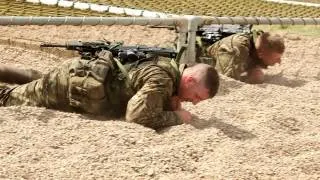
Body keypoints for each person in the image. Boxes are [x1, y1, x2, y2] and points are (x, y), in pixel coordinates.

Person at [0, 50, 219, 130]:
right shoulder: (162, 79)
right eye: (197, 96)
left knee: (37, 82)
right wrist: (176, 117)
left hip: (81, 75)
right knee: (9, 98)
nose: (196, 102)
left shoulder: (167, 72)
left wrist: (169, 101)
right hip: (70, 86)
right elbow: (136, 115)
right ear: (188, 79)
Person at [196, 30, 285, 84]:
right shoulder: (237, 49)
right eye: (276, 58)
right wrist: (248, 78)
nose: (279, 62)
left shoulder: (259, 43)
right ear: (261, 54)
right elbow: (225, 81)